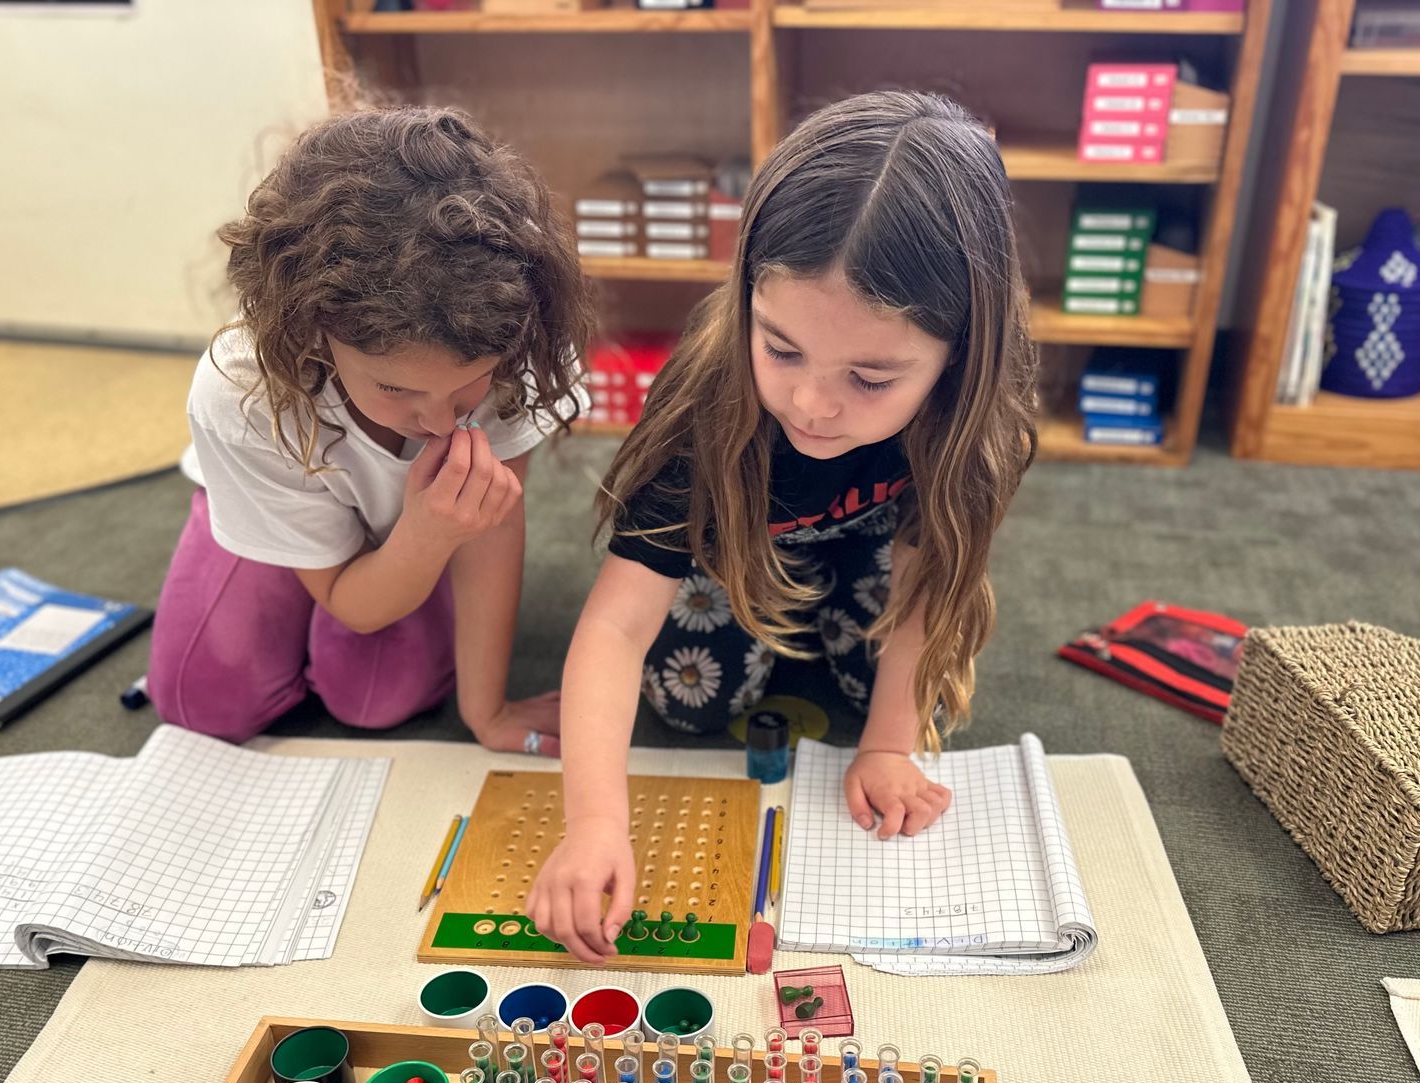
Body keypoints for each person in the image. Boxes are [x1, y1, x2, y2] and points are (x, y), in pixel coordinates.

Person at [528, 91, 1037, 963]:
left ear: (959, 354)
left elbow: (928, 585)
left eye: (871, 379)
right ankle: (791, 632)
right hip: (737, 561)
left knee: (902, 689)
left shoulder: (971, 425)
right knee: (689, 700)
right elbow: (617, 624)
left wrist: (883, 742)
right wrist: (593, 823)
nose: (812, 403)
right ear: (748, 299)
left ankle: (822, 646)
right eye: (782, 348)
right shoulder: (707, 404)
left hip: (872, 561)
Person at [148, 105, 592, 753]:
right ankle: (280, 553)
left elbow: (492, 528)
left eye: (470, 381)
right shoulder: (241, 389)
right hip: (287, 491)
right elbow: (347, 600)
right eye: (395, 387)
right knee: (200, 698)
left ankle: (381, 564)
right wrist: (422, 540)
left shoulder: (517, 332)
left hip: (416, 524)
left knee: (378, 698)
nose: (442, 422)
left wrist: (486, 709)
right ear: (311, 330)